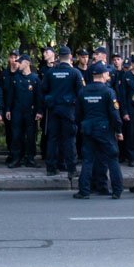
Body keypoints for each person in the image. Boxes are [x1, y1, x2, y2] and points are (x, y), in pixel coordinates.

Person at [73, 62, 124, 200]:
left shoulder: (83, 91)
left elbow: (77, 114)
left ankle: (84, 191)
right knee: (112, 158)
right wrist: (118, 130)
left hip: (88, 129)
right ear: (102, 75)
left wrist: (82, 125)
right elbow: (115, 114)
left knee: (88, 160)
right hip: (104, 130)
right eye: (107, 73)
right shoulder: (108, 92)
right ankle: (117, 190)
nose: (109, 74)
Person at [41, 46, 84, 177]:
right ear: (70, 56)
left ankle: (51, 168)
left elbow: (43, 90)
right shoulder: (75, 73)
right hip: (68, 110)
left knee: (52, 139)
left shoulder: (50, 72)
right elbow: (81, 93)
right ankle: (71, 169)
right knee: (69, 139)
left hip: (54, 109)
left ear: (58, 57)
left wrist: (50, 100)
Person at [5, 54, 41, 168]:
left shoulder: (35, 79)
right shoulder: (15, 78)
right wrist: (8, 109)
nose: (17, 64)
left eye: (20, 62)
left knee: (30, 136)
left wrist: (39, 111)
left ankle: (30, 159)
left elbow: (39, 97)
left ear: (26, 63)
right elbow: (10, 95)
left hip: (30, 112)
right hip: (17, 111)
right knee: (16, 135)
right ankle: (16, 158)